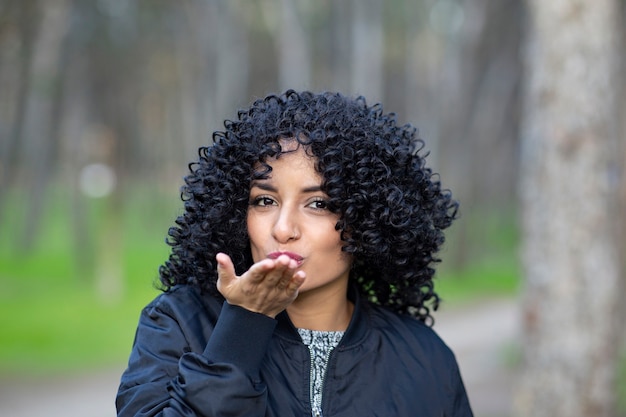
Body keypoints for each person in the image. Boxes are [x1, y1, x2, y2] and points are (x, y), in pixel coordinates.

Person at [116, 90, 473, 416]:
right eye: (265, 201)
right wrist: (244, 325)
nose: (283, 229)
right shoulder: (179, 325)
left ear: (367, 220)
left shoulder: (426, 359)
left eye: (318, 203)